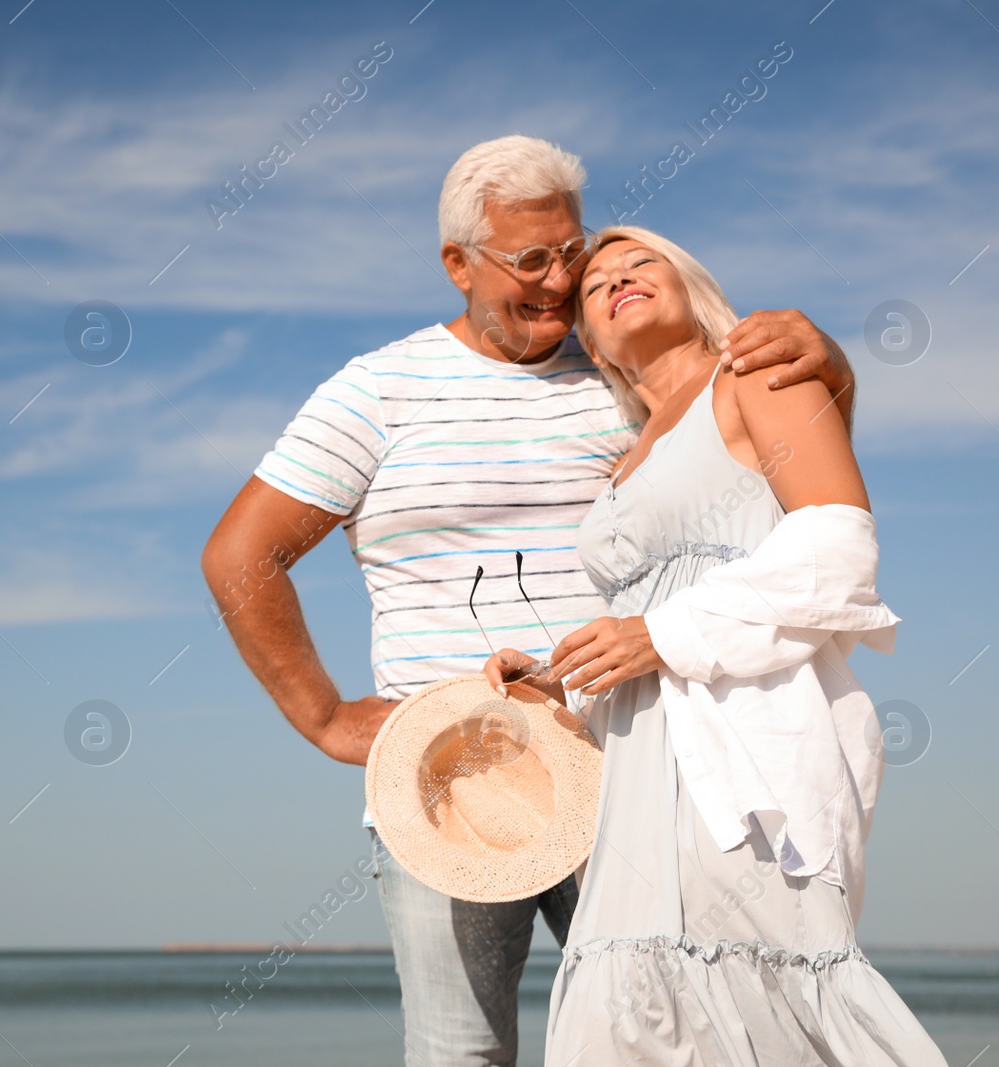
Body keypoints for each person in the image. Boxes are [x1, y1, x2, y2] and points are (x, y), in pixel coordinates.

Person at [201, 136, 854, 1067]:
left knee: (676, 1035)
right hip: (447, 785)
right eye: (530, 260)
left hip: (630, 770)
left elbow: (762, 459)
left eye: (572, 254)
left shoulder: (619, 376)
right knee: (459, 1052)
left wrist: (831, 365)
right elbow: (241, 553)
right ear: (458, 264)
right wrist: (327, 716)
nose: (559, 282)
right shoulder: (378, 390)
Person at [482, 226, 946, 1065]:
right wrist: (561, 680)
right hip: (629, 780)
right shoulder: (623, 462)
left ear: (689, 284)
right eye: (595, 287)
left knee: (761, 995)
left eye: (639, 263)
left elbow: (840, 550)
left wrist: (655, 634)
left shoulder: (753, 376)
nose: (616, 278)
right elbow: (645, 623)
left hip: (743, 756)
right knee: (628, 1016)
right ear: (591, 341)